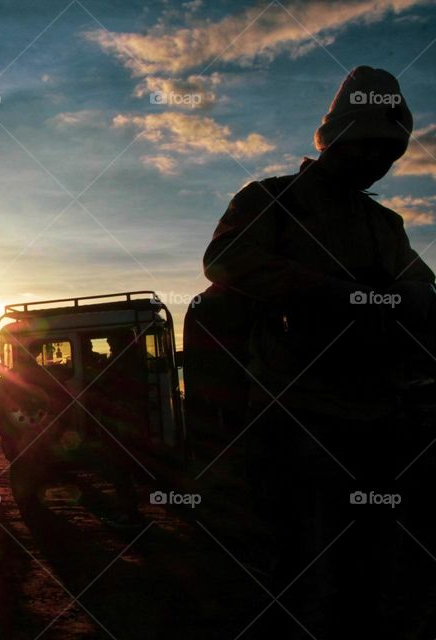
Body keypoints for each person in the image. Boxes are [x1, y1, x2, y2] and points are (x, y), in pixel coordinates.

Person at [203, 66, 434, 637]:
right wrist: (332, 292)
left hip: (374, 420)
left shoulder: (384, 223)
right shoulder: (271, 200)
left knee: (367, 571)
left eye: (390, 153)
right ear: (337, 140)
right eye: (368, 147)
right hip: (292, 416)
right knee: (290, 570)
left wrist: (399, 299)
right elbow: (225, 262)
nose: (379, 163)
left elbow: (420, 288)